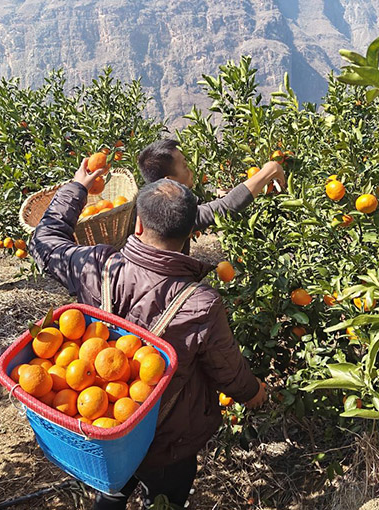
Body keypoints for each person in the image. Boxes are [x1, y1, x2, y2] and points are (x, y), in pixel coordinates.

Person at [29, 160, 267, 509]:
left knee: (113, 485)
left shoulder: (97, 265)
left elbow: (44, 240)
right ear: (190, 232)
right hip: (167, 439)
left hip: (104, 420)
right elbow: (225, 369)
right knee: (167, 495)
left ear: (137, 224)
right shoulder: (201, 303)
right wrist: (253, 392)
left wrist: (77, 187)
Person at [137, 139, 285, 254]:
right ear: (169, 181)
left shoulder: (145, 208)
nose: (190, 169)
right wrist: (270, 170)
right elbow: (227, 206)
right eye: (184, 166)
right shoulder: (173, 215)